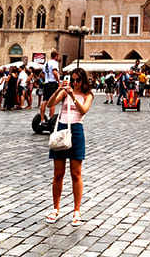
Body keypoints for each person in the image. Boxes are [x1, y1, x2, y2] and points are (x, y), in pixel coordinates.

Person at [45, 67, 94, 226]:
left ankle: (76, 210)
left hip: (77, 130)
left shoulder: (88, 95)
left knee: (76, 173)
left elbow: (83, 110)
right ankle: (55, 208)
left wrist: (73, 96)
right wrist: (59, 89)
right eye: (72, 80)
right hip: (62, 129)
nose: (74, 83)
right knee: (58, 173)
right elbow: (50, 104)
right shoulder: (65, 92)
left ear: (83, 81)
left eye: (77, 80)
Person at [40, 51, 60, 119]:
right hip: (53, 83)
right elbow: (54, 72)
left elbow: (42, 74)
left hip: (46, 83)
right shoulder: (54, 63)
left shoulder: (46, 63)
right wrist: (58, 81)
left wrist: (46, 78)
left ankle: (42, 119)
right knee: (53, 101)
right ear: (56, 56)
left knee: (44, 100)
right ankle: (51, 119)